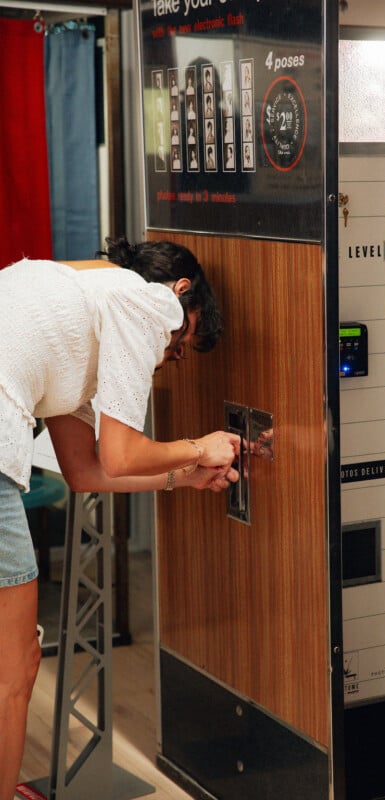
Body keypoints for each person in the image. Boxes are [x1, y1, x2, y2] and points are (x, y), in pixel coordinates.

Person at [0, 237, 240, 800]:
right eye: (180, 345)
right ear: (181, 295)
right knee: (15, 665)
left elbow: (86, 471)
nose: (169, 357)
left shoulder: (83, 306)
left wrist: (182, 478)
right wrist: (200, 448)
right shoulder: (147, 301)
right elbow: (123, 454)